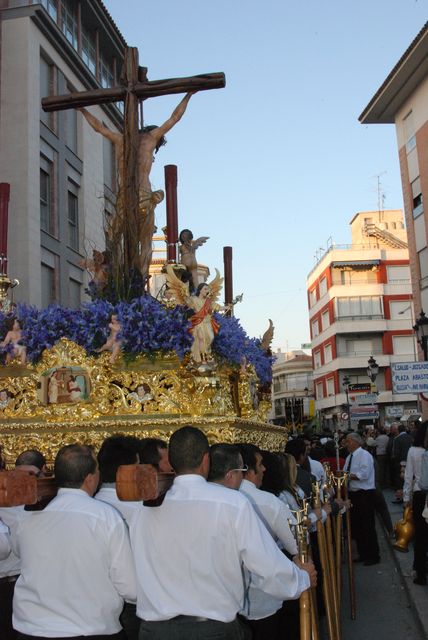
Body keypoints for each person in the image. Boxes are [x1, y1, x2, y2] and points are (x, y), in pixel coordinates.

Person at [129, 426, 316, 640]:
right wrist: (301, 578)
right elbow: (267, 566)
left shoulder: (142, 510)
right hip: (211, 629)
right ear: (206, 460)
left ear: (171, 462)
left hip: (154, 630)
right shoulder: (232, 504)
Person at [13, 444, 137, 639]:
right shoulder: (106, 517)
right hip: (88, 628)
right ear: (90, 478)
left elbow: (21, 554)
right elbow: (130, 587)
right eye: (97, 471)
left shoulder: (27, 517)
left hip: (32, 627)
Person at [237, 446, 299, 640]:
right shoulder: (268, 502)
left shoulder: (217, 500)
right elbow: (298, 545)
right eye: (260, 464)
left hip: (227, 604)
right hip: (263, 597)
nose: (264, 469)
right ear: (246, 470)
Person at [344, 432, 380, 566]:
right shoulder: (349, 457)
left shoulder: (365, 455)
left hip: (364, 494)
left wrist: (347, 476)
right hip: (353, 494)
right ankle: (363, 553)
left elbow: (363, 474)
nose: (346, 444)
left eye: (348, 442)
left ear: (355, 442)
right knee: (357, 526)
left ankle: (373, 555)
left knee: (367, 525)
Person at [403, 421, 428, 585]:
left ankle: (420, 572)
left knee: (420, 536)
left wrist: (406, 498)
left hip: (420, 495)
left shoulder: (414, 451)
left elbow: (408, 476)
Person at [391, 424, 413, 503]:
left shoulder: (397, 439)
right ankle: (408, 496)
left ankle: (400, 497)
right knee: (408, 479)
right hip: (410, 461)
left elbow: (396, 453)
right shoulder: (410, 437)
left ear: (398, 430)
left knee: (400, 480)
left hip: (400, 462)